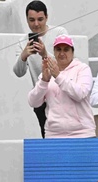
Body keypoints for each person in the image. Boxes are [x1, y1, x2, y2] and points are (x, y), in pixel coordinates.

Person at [13, 0, 68, 138]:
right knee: (47, 137)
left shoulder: (59, 33)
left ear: (47, 17)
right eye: (32, 20)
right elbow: (18, 72)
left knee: (65, 136)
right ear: (26, 20)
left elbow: (65, 64)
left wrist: (44, 54)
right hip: (41, 99)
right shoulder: (23, 41)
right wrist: (24, 55)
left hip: (61, 96)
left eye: (40, 19)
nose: (36, 24)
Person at [27, 35, 95, 138]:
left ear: (72, 52)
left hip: (82, 133)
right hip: (53, 134)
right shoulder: (47, 71)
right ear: (54, 52)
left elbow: (80, 94)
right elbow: (33, 102)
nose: (62, 53)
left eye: (66, 50)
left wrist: (58, 76)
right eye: (58, 49)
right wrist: (44, 81)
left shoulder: (83, 69)